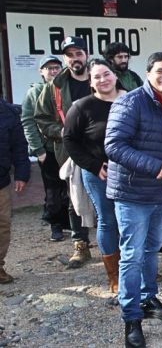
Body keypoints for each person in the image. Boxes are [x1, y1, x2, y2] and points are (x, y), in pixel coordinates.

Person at [105, 52, 162, 347]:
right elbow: (114, 145)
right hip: (134, 193)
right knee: (132, 255)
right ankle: (131, 317)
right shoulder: (131, 101)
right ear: (148, 73)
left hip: (160, 194)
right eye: (160, 71)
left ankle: (149, 299)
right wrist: (153, 166)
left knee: (151, 249)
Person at [62, 59, 126, 293]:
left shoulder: (131, 100)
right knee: (109, 221)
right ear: (91, 82)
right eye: (97, 77)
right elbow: (69, 140)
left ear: (115, 75)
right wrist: (93, 165)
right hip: (100, 174)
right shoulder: (81, 107)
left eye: (106, 74)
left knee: (131, 222)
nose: (103, 80)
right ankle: (115, 274)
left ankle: (134, 267)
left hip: (132, 173)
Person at [34, 36, 93, 268]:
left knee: (111, 197)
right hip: (71, 150)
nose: (74, 58)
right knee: (74, 197)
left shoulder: (101, 76)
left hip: (103, 148)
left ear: (86, 54)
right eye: (69, 55)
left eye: (78, 53)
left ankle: (115, 246)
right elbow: (41, 118)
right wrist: (62, 132)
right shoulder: (55, 86)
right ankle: (80, 244)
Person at [21, 55, 69, 241]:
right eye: (49, 68)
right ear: (41, 71)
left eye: (56, 67)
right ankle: (55, 225)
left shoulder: (65, 88)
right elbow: (28, 122)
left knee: (70, 188)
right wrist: (38, 150)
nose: (53, 71)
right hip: (48, 149)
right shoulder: (34, 93)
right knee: (53, 190)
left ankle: (70, 223)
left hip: (68, 148)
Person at [0, 98, 30, 284]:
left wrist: (22, 173)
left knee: (2, 226)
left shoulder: (8, 113)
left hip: (1, 181)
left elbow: (19, 146)